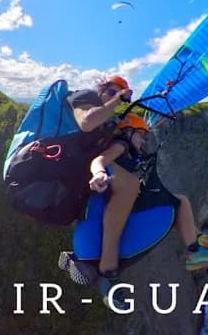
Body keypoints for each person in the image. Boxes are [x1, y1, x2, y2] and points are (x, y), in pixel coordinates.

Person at [92, 114, 208, 270]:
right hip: (126, 202)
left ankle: (198, 241)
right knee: (181, 202)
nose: (143, 139)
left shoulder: (130, 149)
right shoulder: (122, 144)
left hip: (130, 198)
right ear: (128, 131)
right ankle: (195, 249)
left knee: (180, 201)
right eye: (140, 135)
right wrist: (99, 173)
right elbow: (100, 160)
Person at [67, 76, 142, 290]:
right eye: (110, 91)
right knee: (127, 186)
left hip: (87, 173)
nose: (114, 97)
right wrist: (118, 99)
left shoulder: (110, 125)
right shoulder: (84, 96)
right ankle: (107, 268)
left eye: (118, 93)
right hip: (76, 168)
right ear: (101, 89)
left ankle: (84, 261)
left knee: (101, 204)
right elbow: (87, 122)